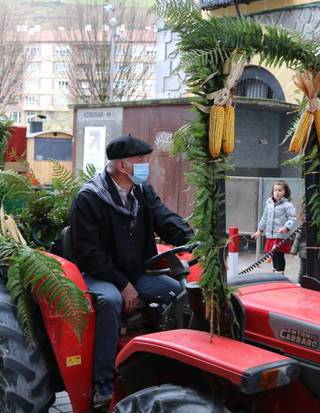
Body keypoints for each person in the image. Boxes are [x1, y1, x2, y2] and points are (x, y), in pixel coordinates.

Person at [69, 134, 193, 407]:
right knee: (111, 300)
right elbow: (89, 253)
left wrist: (193, 237)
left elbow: (165, 219)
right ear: (123, 166)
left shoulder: (142, 193)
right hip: (100, 274)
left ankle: (165, 362)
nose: (144, 164)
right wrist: (123, 284)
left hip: (135, 272)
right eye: (140, 160)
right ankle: (102, 382)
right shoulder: (90, 198)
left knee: (177, 292)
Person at [251, 180, 297, 274]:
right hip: (270, 235)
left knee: (279, 254)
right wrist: (260, 231)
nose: (277, 192)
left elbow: (292, 218)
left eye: (280, 190)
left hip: (280, 235)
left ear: (285, 192)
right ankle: (275, 270)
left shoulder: (288, 205)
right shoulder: (269, 204)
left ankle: (280, 272)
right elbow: (264, 218)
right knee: (273, 254)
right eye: (275, 190)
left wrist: (286, 227)